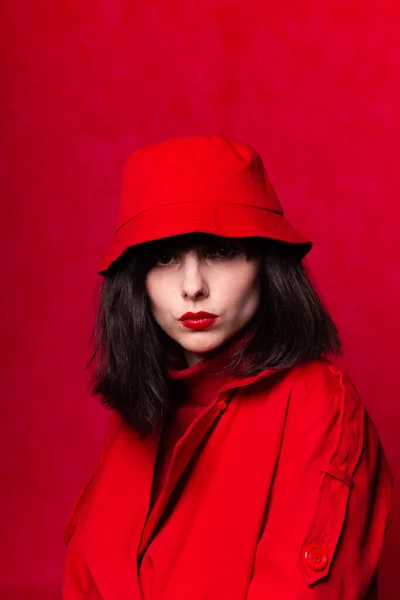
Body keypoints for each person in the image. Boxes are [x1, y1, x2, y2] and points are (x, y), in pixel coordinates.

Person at [61, 134, 393, 599]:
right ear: (133, 281)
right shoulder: (136, 419)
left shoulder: (319, 404)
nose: (192, 286)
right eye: (163, 257)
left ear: (266, 263)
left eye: (220, 251)